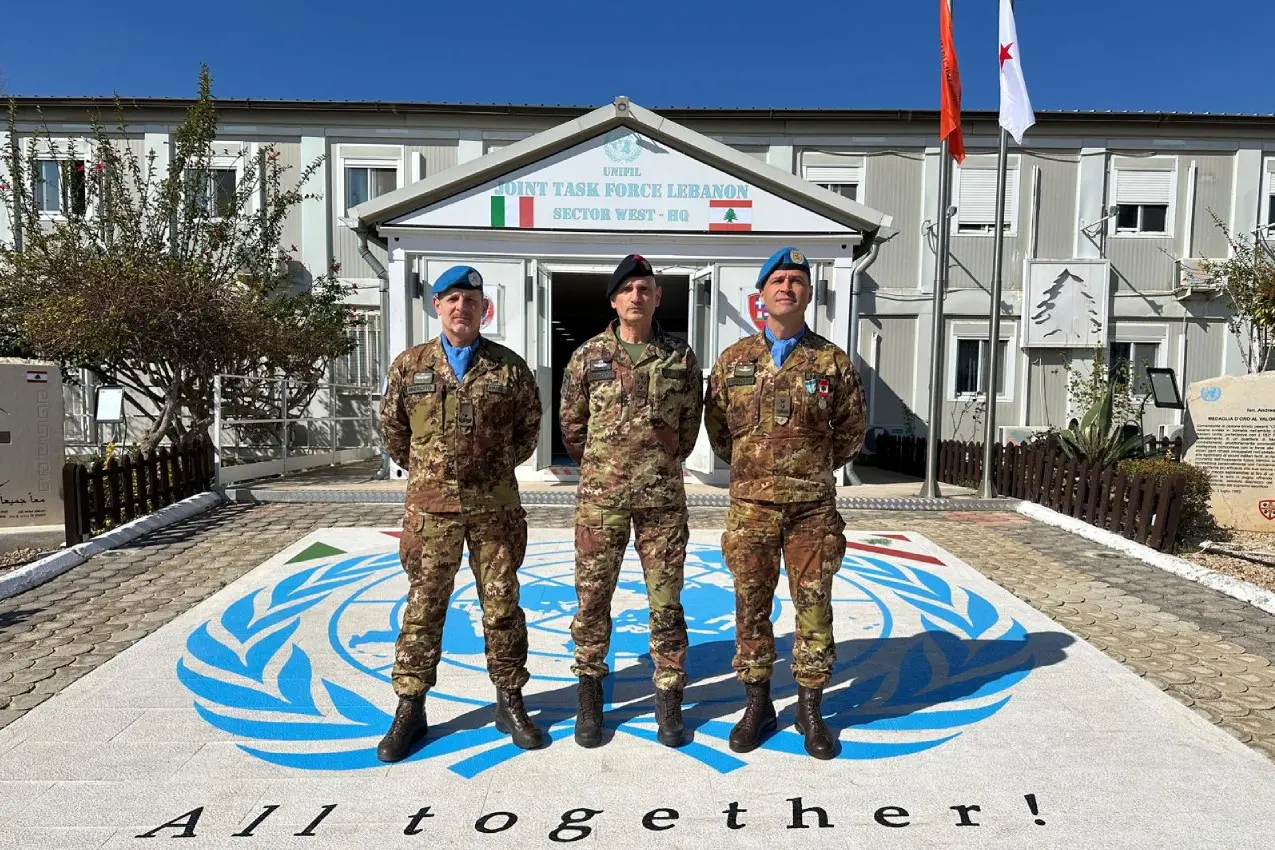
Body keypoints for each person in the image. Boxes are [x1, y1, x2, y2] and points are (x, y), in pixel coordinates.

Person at [703, 246, 867, 760]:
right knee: (751, 607)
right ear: (762, 294)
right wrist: (755, 469)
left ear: (808, 293)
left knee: (814, 608)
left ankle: (810, 708)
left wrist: (807, 467)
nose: (787, 288)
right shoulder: (734, 361)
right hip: (751, 507)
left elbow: (851, 431)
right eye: (777, 280)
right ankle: (757, 704)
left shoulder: (832, 361)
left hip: (810, 509)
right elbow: (719, 430)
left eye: (797, 280)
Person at [376, 264, 545, 762]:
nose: (460, 308)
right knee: (424, 610)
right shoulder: (410, 367)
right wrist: (435, 472)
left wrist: (482, 470)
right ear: (436, 306)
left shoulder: (509, 370)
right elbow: (394, 434)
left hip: (494, 510)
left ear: (483, 309)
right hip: (432, 512)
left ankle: (510, 698)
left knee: (502, 607)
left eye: (470, 301)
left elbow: (527, 434)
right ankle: (411, 706)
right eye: (451, 299)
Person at [559, 254, 704, 748]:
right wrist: (607, 466)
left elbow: (687, 431)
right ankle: (590, 701)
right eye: (628, 290)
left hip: (662, 502)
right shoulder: (587, 356)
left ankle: (668, 699)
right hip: (601, 504)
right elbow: (572, 427)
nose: (636, 297)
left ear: (658, 297)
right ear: (614, 300)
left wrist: (653, 462)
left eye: (645, 288)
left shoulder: (680, 357)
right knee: (593, 602)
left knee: (666, 605)